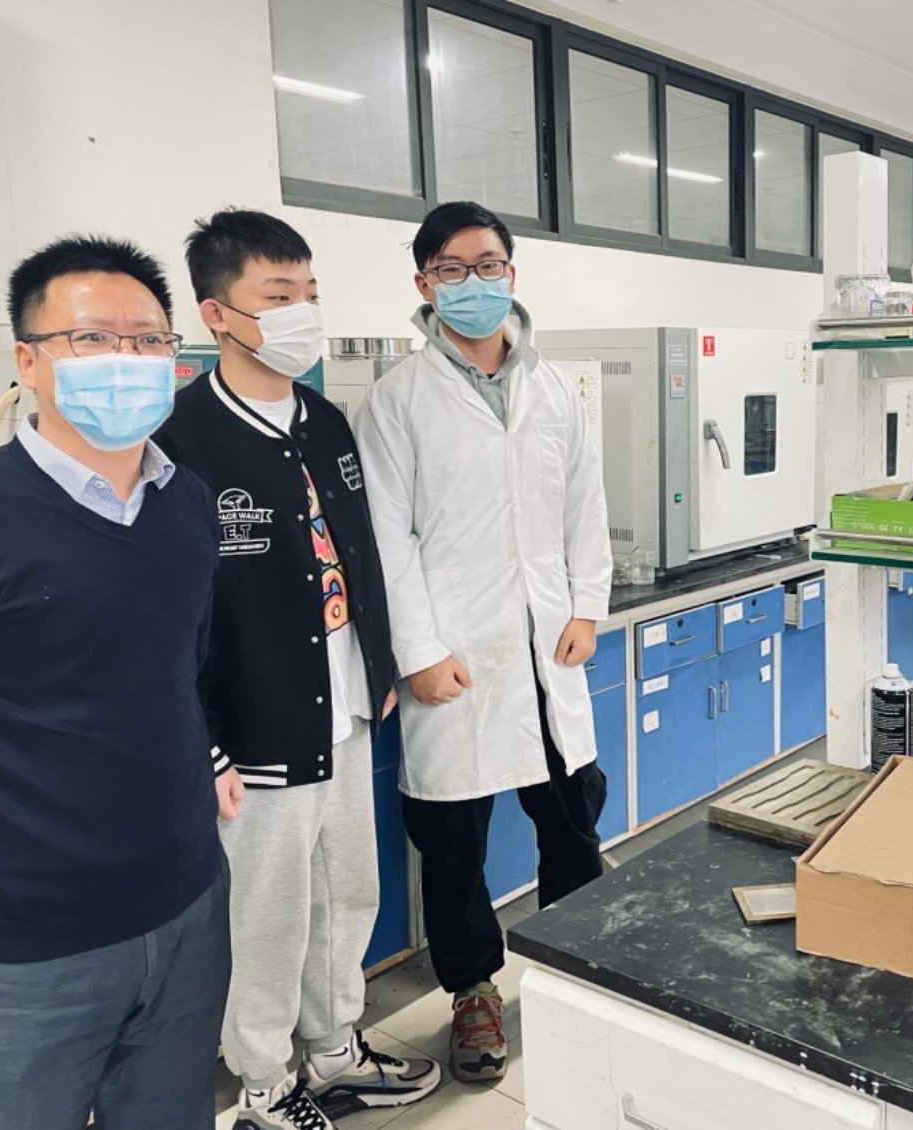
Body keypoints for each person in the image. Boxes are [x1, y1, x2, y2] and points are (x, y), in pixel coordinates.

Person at [0, 235, 232, 1129]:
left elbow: (180, 671)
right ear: (28, 361)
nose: (125, 359)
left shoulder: (189, 502)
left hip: (186, 907)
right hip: (28, 949)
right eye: (92, 338)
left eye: (148, 340)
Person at [155, 209, 442, 1129]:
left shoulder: (324, 420)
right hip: (256, 727)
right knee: (268, 916)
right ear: (217, 314)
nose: (302, 312)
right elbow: (165, 613)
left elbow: (361, 548)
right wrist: (204, 742)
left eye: (310, 292)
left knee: (346, 893)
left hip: (347, 707)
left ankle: (333, 1049)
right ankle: (264, 1084)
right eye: (278, 295)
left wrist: (383, 661)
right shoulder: (179, 438)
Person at [356, 201, 613, 1083]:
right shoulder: (396, 399)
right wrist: (418, 652)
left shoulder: (555, 388)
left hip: (548, 647)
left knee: (573, 823)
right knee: (454, 843)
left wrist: (587, 606)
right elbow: (386, 539)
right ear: (424, 283)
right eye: (453, 269)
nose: (474, 282)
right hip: (454, 657)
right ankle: (472, 993)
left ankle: (585, 975)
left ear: (512, 272)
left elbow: (585, 504)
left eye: (489, 265)